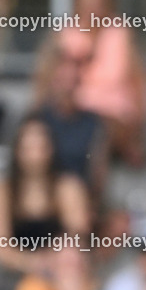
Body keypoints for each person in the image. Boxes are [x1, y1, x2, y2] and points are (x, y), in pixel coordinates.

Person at [56, 0, 146, 166]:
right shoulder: (66, 35)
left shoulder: (120, 34)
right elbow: (51, 81)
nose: (92, 7)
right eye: (86, 0)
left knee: (97, 132)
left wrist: (138, 137)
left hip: (116, 119)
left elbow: (140, 85)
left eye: (97, 0)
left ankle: (91, 191)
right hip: (76, 115)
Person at [0, 116, 90, 276]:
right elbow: (0, 246)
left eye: (41, 146)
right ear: (17, 150)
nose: (35, 154)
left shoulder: (68, 187)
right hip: (14, 274)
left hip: (61, 271)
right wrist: (32, 263)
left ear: (52, 147)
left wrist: (53, 260)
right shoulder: (0, 192)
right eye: (29, 147)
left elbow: (78, 233)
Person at [33, 36, 110, 204]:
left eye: (75, 66)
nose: (69, 73)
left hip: (81, 206)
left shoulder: (94, 123)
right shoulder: (35, 120)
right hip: (44, 205)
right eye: (62, 66)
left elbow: (98, 180)